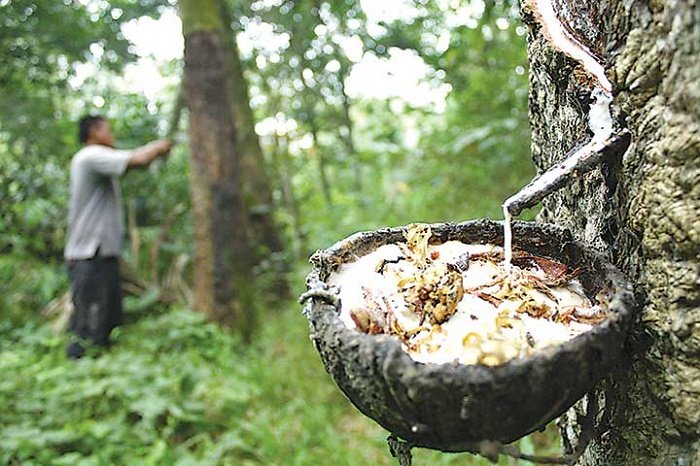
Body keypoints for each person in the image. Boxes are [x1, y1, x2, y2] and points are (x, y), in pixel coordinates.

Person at [64, 115, 172, 358]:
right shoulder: (89, 156)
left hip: (103, 253)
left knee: (109, 320)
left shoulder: (100, 161)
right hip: (88, 255)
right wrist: (159, 145)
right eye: (108, 130)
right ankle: (78, 370)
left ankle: (103, 372)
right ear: (94, 132)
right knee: (87, 321)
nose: (112, 135)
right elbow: (138, 160)